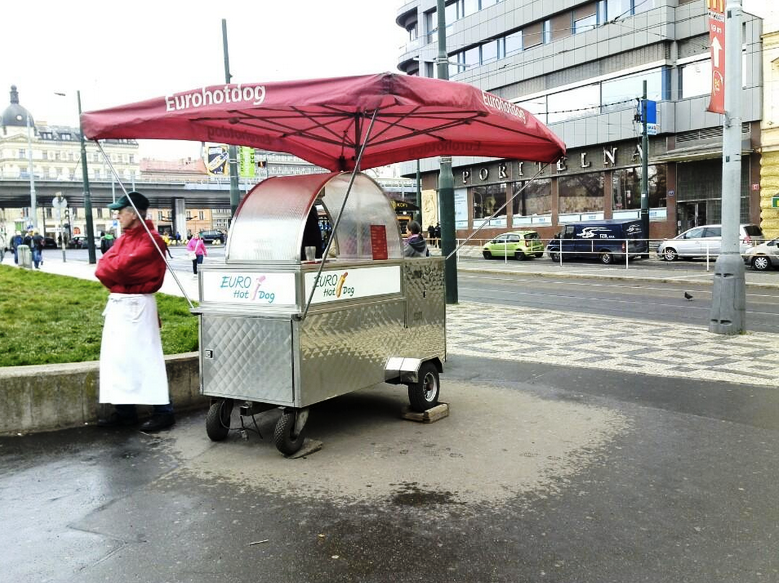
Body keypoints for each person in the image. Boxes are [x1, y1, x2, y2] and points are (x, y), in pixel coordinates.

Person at [95, 191, 175, 432]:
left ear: (134, 214)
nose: (117, 215)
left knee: (145, 359)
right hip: (123, 305)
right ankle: (125, 411)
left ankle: (164, 411)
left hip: (137, 306)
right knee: (119, 360)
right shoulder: (126, 238)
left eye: (121, 211)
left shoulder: (151, 240)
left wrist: (113, 270)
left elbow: (117, 269)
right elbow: (104, 268)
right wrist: (112, 270)